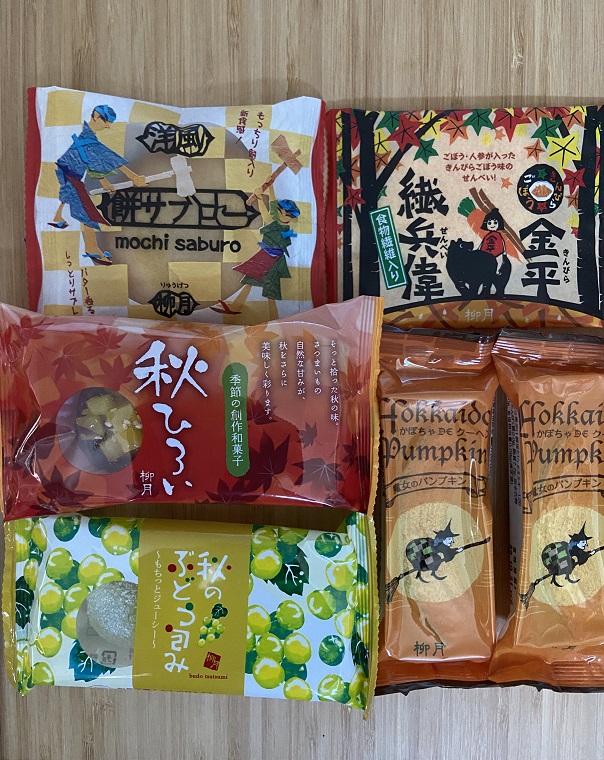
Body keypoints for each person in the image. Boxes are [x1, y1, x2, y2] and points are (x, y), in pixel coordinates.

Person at [49, 104, 147, 264]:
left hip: (68, 172)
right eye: (106, 121)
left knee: (70, 197)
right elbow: (106, 156)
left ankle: (57, 217)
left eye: (110, 123)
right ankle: (91, 248)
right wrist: (134, 177)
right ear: (96, 116)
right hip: (69, 173)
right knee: (87, 211)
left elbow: (91, 162)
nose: (108, 126)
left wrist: (104, 182)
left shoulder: (88, 136)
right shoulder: (87, 137)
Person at [212, 180, 300, 318]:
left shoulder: (278, 227)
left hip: (273, 261)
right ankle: (237, 305)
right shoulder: (278, 221)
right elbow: (273, 204)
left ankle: (274, 317)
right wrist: (270, 185)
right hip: (266, 257)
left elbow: (266, 216)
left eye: (284, 214)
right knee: (250, 280)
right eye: (279, 211)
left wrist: (259, 199)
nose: (279, 214)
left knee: (270, 290)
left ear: (291, 218)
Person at [479, 207, 507, 275]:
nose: (492, 225)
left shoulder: (498, 235)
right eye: (489, 223)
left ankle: (497, 271)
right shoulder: (487, 236)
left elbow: (502, 244)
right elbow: (482, 245)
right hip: (486, 255)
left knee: (498, 261)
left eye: (495, 223)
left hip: (497, 254)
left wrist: (504, 253)